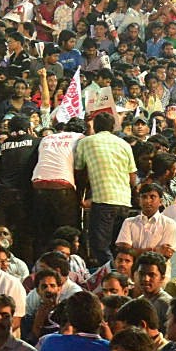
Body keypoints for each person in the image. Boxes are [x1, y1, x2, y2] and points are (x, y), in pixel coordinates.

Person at [74, 112, 137, 266]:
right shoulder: (124, 144)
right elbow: (132, 178)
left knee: (99, 246)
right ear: (113, 127)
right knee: (118, 246)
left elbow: (79, 170)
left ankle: (113, 275)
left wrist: (80, 195)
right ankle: (119, 279)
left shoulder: (86, 142)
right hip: (124, 202)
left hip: (103, 201)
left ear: (94, 127)